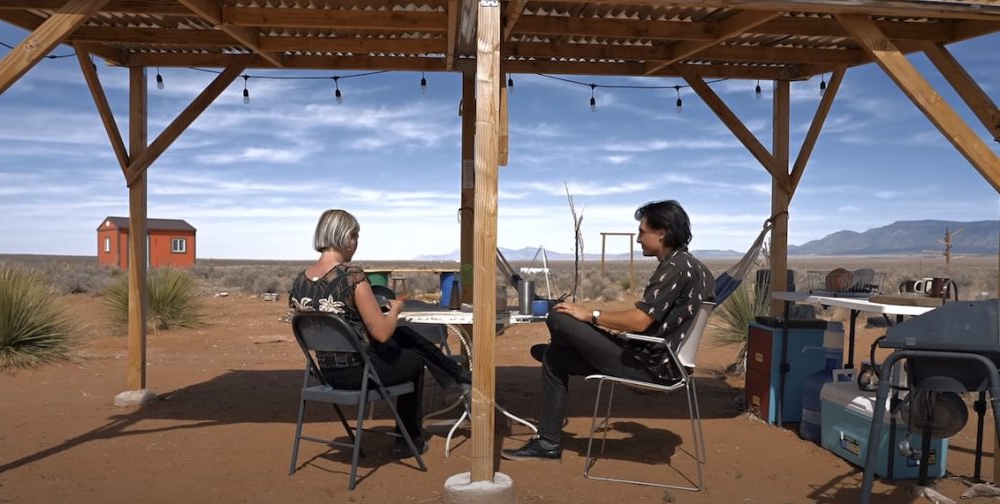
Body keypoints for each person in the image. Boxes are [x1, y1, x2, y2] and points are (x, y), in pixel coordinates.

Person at [502, 199, 715, 461]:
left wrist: (591, 315)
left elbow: (639, 321)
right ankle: (547, 443)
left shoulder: (675, 268)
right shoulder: (697, 267)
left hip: (651, 365)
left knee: (558, 317)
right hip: (661, 359)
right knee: (554, 358)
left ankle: (568, 348)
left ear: (662, 232)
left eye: (642, 232)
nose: (638, 240)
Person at [289, 209, 471, 458]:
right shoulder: (352, 277)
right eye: (355, 235)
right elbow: (383, 334)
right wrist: (394, 310)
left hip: (326, 373)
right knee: (413, 360)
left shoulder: (300, 282)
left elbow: (334, 321)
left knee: (404, 334)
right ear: (346, 236)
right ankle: (408, 440)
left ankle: (458, 375)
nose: (356, 242)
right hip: (359, 374)